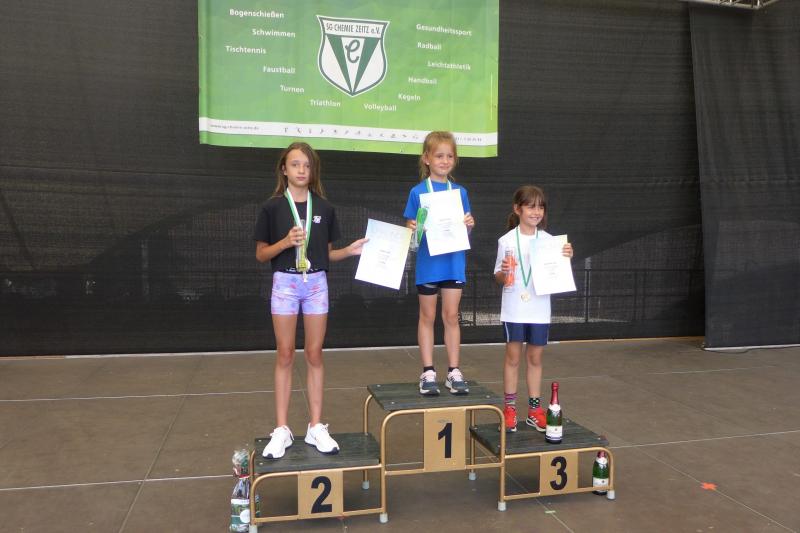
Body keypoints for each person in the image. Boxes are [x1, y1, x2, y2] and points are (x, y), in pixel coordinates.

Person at [254, 142, 367, 459]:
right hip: (285, 283)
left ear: (313, 170)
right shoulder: (272, 208)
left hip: (316, 283)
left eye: (306, 165)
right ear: (284, 169)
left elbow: (326, 254)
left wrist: (350, 251)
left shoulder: (325, 208)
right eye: (295, 164)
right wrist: (284, 242)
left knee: (315, 353)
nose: (301, 170)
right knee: (285, 353)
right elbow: (261, 254)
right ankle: (281, 429)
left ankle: (316, 426)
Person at [493, 185, 573, 432]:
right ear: (517, 209)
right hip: (514, 308)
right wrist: (504, 272)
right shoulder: (506, 240)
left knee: (535, 358)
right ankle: (509, 409)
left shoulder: (550, 242)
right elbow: (498, 276)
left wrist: (566, 257)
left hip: (539, 309)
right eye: (530, 206)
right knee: (513, 358)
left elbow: (558, 273)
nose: (536, 212)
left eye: (540, 207)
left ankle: (534, 410)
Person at [403, 131, 475, 396]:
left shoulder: (460, 192)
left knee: (451, 316)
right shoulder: (417, 192)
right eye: (439, 156)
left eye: (449, 156)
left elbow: (463, 231)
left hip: (453, 262)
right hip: (429, 264)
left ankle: (453, 371)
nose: (445, 161)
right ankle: (428, 371)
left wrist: (469, 225)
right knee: (427, 316)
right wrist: (412, 228)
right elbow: (412, 233)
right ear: (427, 158)